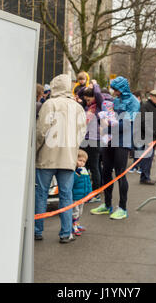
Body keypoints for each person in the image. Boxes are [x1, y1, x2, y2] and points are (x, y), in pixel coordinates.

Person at [35, 74, 87, 243]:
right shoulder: (78, 107)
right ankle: (66, 232)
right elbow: (82, 133)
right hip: (68, 157)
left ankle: (37, 230)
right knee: (66, 195)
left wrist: (34, 150)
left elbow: (41, 130)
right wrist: (73, 149)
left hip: (47, 157)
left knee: (41, 194)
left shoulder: (49, 104)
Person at [90, 76, 140, 220]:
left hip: (123, 141)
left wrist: (110, 125)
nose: (115, 92)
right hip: (110, 139)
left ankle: (122, 208)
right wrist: (104, 122)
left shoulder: (133, 102)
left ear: (123, 88)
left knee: (120, 174)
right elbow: (110, 115)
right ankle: (107, 205)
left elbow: (128, 122)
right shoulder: (116, 100)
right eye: (113, 89)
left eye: (116, 89)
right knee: (106, 172)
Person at [77, 83, 104, 203]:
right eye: (86, 99)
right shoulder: (85, 107)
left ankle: (96, 193)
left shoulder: (98, 106)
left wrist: (95, 85)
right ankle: (87, 191)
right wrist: (86, 86)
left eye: (89, 99)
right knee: (84, 166)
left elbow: (98, 94)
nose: (87, 101)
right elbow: (79, 93)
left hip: (94, 140)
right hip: (84, 139)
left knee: (94, 166)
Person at [138, 89, 156, 185]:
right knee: (147, 158)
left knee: (149, 158)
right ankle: (145, 177)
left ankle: (145, 176)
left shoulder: (155, 107)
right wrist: (150, 134)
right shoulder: (146, 106)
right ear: (151, 97)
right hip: (148, 136)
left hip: (153, 136)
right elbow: (143, 122)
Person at [71, 149, 92, 236]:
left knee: (80, 211)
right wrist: (76, 174)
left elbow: (88, 183)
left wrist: (89, 194)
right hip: (75, 196)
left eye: (84, 161)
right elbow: (72, 182)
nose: (82, 163)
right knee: (75, 212)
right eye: (80, 160)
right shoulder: (74, 170)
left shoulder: (84, 170)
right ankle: (73, 226)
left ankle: (76, 224)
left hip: (82, 196)